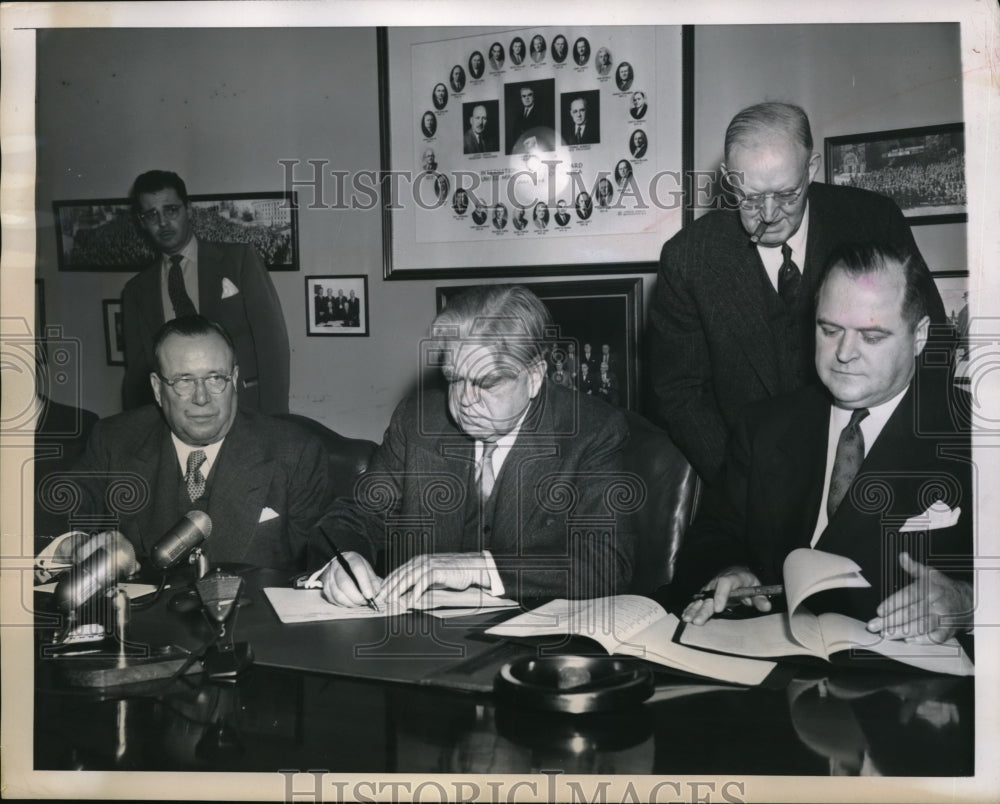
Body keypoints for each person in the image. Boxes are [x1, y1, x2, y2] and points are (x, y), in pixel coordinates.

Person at [674, 243, 972, 644]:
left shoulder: (974, 435)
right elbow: (713, 534)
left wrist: (964, 601)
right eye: (829, 330)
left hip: (899, 684)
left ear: (919, 337)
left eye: (872, 336)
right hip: (767, 669)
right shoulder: (765, 424)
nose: (844, 354)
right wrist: (731, 570)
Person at [648, 102, 946, 484]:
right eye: (750, 197)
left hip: (877, 463)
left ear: (811, 168)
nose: (769, 214)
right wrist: (741, 480)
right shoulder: (688, 258)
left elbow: (933, 343)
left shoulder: (873, 221)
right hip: (748, 473)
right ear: (728, 178)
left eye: (787, 194)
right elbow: (679, 394)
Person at [311, 285, 635, 605]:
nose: (465, 401)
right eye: (454, 378)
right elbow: (353, 517)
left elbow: (606, 562)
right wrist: (344, 559)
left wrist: (479, 566)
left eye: (487, 382)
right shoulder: (417, 421)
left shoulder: (592, 431)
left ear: (535, 376)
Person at [70, 316, 329, 570]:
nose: (202, 398)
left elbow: (323, 559)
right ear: (158, 389)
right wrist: (82, 548)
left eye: (215, 378)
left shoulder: (294, 451)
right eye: (184, 381)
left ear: (235, 379)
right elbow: (59, 513)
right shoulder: (115, 439)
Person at [122, 170, 289, 414]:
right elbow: (138, 373)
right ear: (141, 221)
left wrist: (276, 419)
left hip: (244, 408)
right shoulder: (136, 290)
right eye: (151, 215)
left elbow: (273, 345)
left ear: (188, 210)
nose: (163, 223)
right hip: (177, 416)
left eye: (171, 210)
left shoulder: (239, 260)